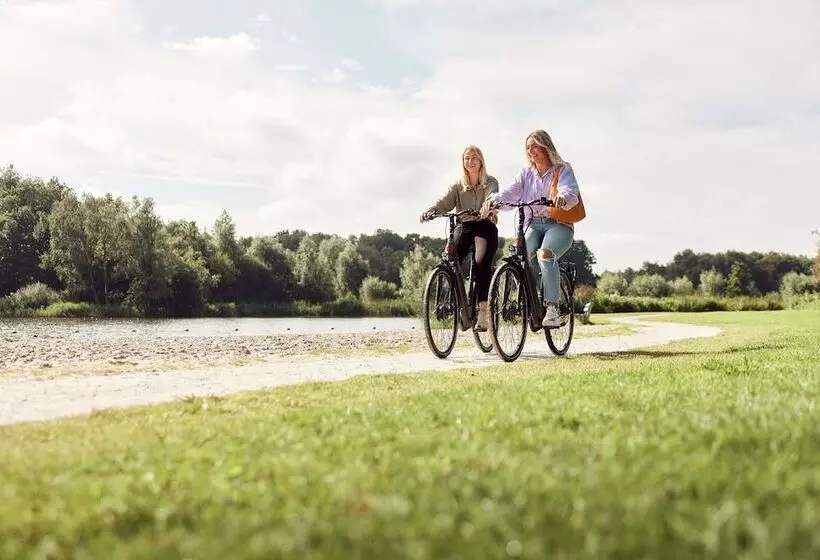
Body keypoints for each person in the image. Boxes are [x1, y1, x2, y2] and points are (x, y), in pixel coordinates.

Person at [480, 129, 582, 328]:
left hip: (558, 224)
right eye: (528, 148)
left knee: (545, 254)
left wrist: (562, 198)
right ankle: (530, 302)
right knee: (520, 256)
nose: (531, 151)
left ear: (546, 146)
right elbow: (509, 193)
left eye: (535, 146)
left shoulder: (562, 169)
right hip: (532, 223)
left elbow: (569, 191)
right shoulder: (526, 173)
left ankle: (552, 308)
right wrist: (493, 200)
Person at [420, 145, 499, 331]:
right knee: (450, 259)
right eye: (466, 158)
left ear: (481, 161)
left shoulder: (490, 182)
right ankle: (456, 302)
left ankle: (483, 312)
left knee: (480, 263)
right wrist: (431, 211)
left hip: (484, 226)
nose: (470, 161)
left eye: (474, 157)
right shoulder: (457, 186)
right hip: (464, 226)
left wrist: (488, 205)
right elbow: (444, 202)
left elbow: (493, 196)